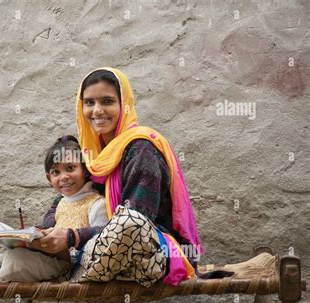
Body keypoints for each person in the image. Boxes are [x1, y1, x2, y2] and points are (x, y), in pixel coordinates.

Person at [32, 67, 203, 286]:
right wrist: (45, 229)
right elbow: (70, 196)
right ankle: (72, 265)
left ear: (124, 105)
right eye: (89, 102)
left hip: (151, 254)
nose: (97, 110)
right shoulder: (95, 153)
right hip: (103, 251)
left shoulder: (141, 148)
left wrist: (72, 237)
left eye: (107, 101)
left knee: (128, 221)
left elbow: (136, 222)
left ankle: (72, 271)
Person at [0, 135, 109, 283]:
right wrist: (29, 237)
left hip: (62, 266)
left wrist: (68, 248)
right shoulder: (60, 202)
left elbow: (101, 245)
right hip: (42, 255)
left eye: (70, 168)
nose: (64, 177)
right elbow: (46, 230)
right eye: (56, 172)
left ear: (85, 170)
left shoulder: (96, 204)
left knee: (17, 260)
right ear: (49, 178)